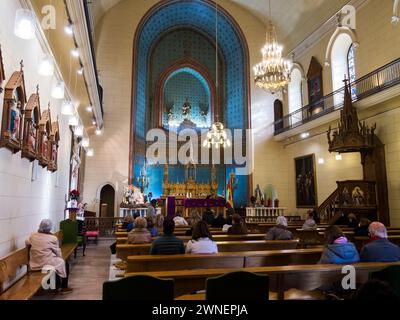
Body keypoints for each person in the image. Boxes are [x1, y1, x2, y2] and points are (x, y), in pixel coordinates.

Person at [26, 219, 72, 294]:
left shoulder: (33, 235)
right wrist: (60, 257)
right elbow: (57, 252)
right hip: (45, 263)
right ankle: (64, 287)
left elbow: (27, 242)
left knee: (57, 264)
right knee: (63, 262)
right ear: (50, 228)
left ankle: (56, 285)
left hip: (35, 263)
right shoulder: (52, 238)